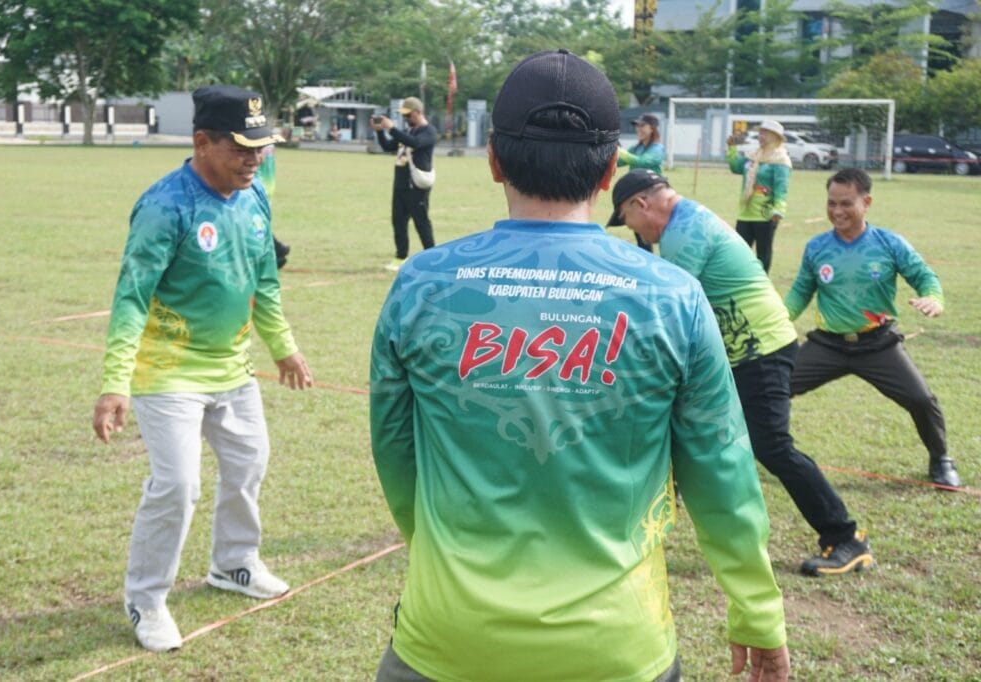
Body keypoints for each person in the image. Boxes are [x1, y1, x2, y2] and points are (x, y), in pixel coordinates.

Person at [369, 49, 789, 682]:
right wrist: (757, 610)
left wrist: (440, 554)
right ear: (608, 174)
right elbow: (723, 472)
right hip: (618, 648)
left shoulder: (421, 284)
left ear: (492, 160)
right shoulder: (672, 296)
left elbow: (397, 455)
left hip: (449, 640)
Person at [91, 84, 315, 653]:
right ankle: (146, 598)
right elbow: (131, 299)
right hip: (168, 371)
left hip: (233, 369)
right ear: (201, 141)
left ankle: (234, 565)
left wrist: (282, 346)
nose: (254, 158)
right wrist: (115, 383)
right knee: (178, 485)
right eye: (242, 148)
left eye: (262, 147)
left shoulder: (255, 193)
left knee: (249, 462)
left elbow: (263, 278)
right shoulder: (166, 207)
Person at [609, 168, 872, 577]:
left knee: (773, 447)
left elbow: (671, 306)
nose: (634, 230)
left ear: (640, 204)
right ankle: (652, 514)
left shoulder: (684, 232)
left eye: (628, 219)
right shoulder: (686, 220)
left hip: (761, 351)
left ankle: (846, 538)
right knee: (682, 420)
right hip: (741, 351)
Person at [785, 168, 961, 489]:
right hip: (828, 344)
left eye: (846, 204)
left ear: (866, 202)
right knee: (773, 387)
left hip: (878, 344)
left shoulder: (889, 243)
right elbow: (800, 292)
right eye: (831, 203)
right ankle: (757, 449)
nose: (837, 211)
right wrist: (780, 318)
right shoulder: (817, 247)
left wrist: (933, 298)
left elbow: (925, 277)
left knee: (922, 400)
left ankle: (941, 459)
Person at [372, 97, 437, 272]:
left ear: (417, 112)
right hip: (400, 185)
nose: (406, 119)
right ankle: (401, 257)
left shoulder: (428, 132)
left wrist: (391, 128)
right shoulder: (408, 131)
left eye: (408, 115)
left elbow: (415, 143)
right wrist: (380, 131)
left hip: (416, 186)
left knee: (421, 222)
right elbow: (388, 146)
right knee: (398, 222)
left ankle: (432, 258)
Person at [726, 121, 792, 273]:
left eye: (765, 133)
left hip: (765, 215)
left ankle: (762, 284)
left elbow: (781, 188)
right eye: (760, 132)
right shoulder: (754, 156)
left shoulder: (781, 161)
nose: (760, 136)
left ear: (775, 137)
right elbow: (736, 167)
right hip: (745, 213)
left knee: (763, 254)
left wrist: (779, 210)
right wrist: (731, 148)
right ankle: (742, 280)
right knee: (740, 253)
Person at [616, 113, 665, 252]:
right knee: (640, 234)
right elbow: (620, 162)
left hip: (653, 197)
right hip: (636, 197)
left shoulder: (658, 148)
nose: (638, 129)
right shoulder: (636, 148)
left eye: (642, 125)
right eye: (637, 126)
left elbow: (643, 161)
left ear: (652, 128)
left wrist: (621, 152)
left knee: (654, 235)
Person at [254, 143, 291, 269]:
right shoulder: (268, 142)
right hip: (267, 184)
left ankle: (276, 251)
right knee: (258, 223)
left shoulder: (258, 141)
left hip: (258, 185)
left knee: (255, 224)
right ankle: (277, 251)